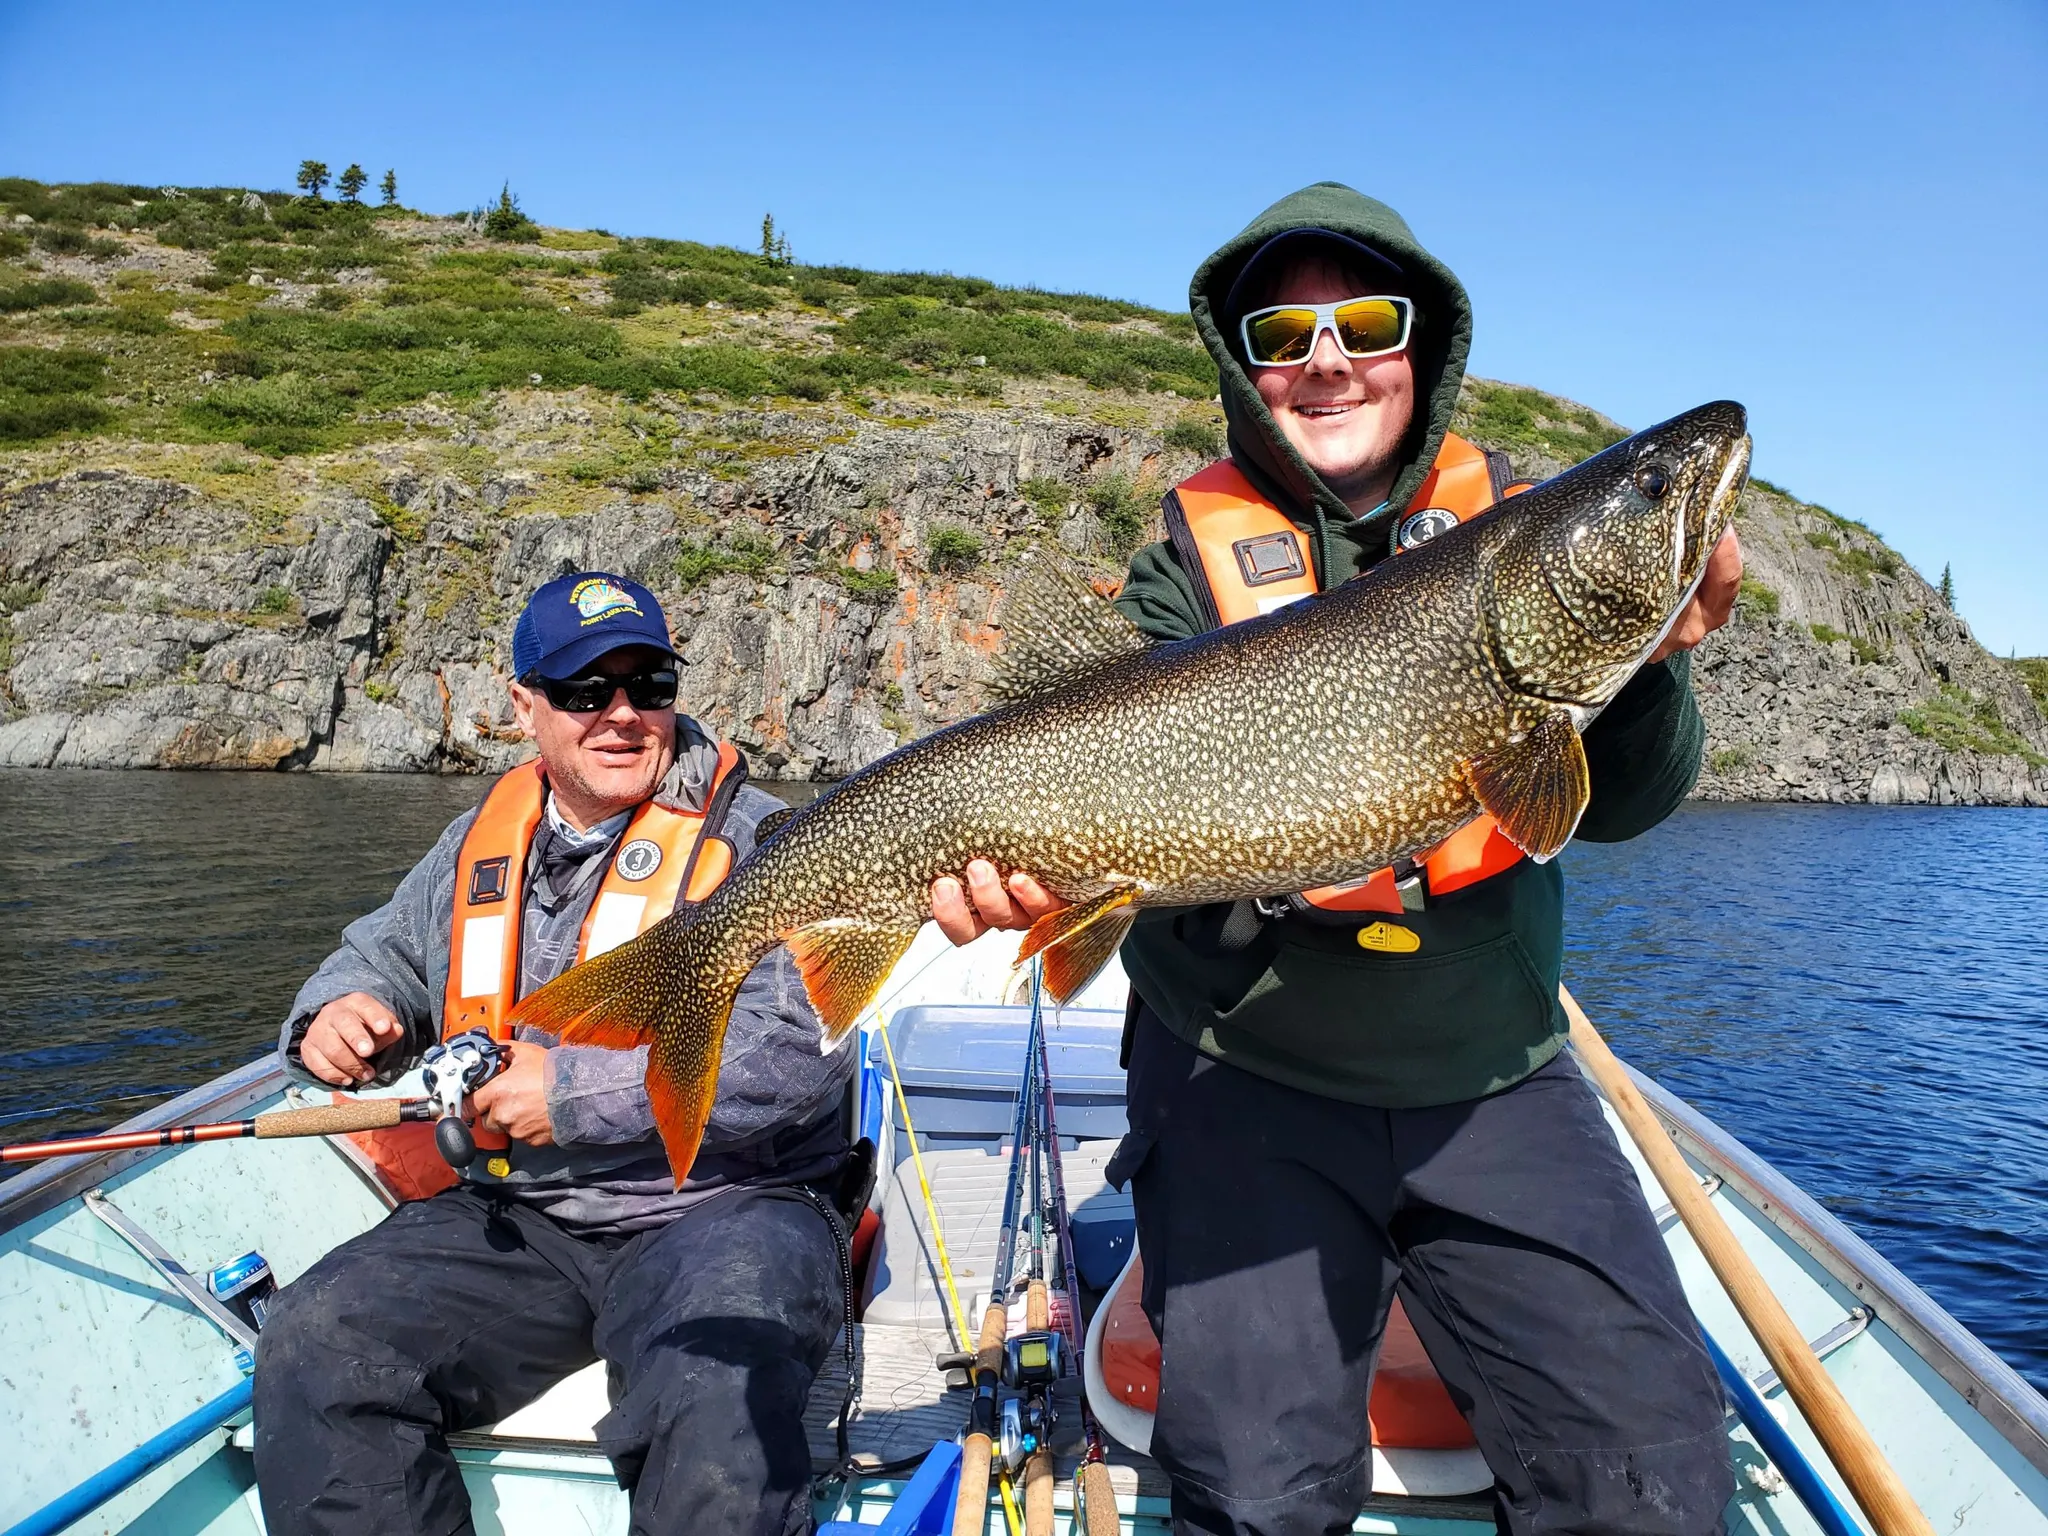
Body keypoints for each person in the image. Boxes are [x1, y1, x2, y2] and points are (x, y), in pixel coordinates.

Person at [932, 183, 1745, 1535]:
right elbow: (1065, 752)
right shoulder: (1182, 574)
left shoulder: (1523, 543)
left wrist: (1653, 667)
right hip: (1242, 1074)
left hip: (1492, 1070)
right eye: (1282, 332)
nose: (1324, 359)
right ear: (1246, 370)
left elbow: (1622, 805)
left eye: (1363, 322)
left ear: (1420, 347)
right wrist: (1018, 874)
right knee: (1254, 1501)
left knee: (1651, 1477)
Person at [253, 571, 856, 1536]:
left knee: (717, 1403)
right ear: (524, 704)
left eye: (647, 685)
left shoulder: (773, 840)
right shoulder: (480, 843)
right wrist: (336, 1013)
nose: (620, 716)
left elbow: (796, 1059)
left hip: (726, 1207)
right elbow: (380, 958)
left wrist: (571, 1098)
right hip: (525, 1215)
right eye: (584, 692)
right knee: (317, 1345)